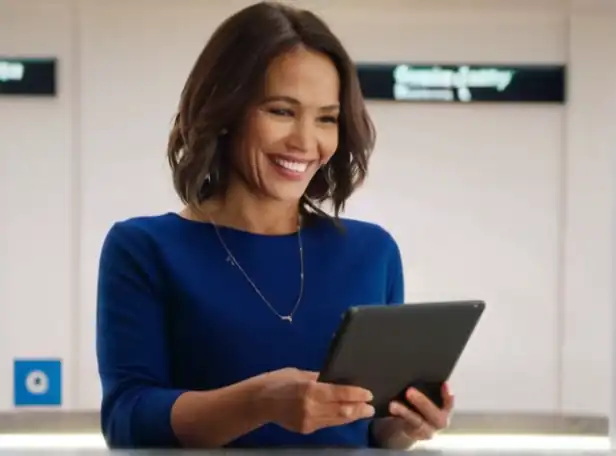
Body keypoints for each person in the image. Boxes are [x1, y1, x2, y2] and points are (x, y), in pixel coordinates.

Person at [95, 1, 454, 450]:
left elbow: (370, 428)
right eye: (281, 111)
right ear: (225, 112)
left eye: (326, 118)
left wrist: (406, 425)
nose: (306, 142)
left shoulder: (373, 251)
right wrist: (259, 401)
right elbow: (128, 420)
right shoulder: (143, 249)